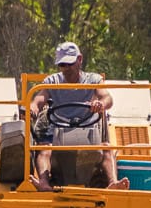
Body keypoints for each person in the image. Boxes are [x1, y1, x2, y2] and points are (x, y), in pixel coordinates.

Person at [30, 41, 129, 191]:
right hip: (59, 135)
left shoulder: (93, 80)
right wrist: (33, 107)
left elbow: (107, 98)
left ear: (80, 60)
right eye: (63, 65)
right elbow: (38, 99)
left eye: (69, 63)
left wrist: (101, 104)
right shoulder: (53, 81)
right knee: (44, 149)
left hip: (88, 134)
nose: (66, 68)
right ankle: (44, 183)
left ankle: (112, 183)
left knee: (107, 148)